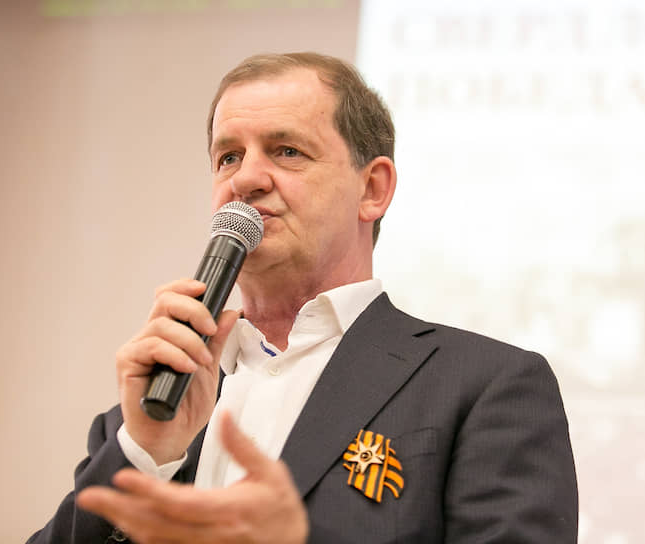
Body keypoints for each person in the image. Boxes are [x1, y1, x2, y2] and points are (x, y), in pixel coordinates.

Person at [28, 52, 578, 544]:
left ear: (372, 189)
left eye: (286, 151)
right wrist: (148, 453)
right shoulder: (153, 408)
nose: (245, 179)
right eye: (228, 157)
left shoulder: (485, 386)